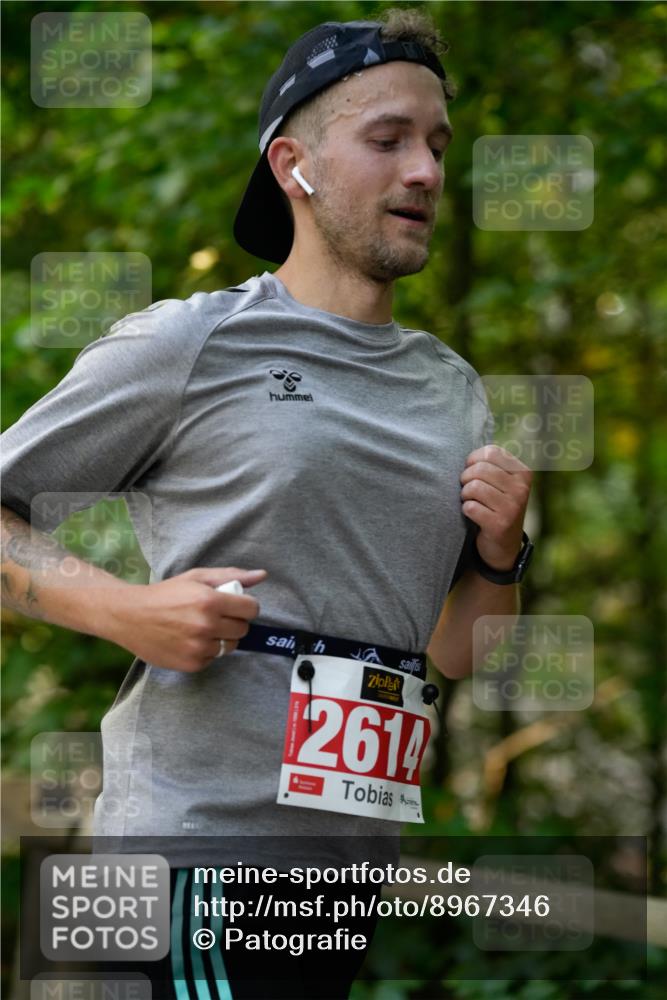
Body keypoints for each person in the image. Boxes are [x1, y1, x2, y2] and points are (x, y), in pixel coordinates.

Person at [1, 9, 534, 998]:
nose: (424, 170)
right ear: (295, 165)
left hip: (341, 881)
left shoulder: (452, 388)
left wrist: (501, 551)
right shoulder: (190, 344)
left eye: (436, 144)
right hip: (187, 860)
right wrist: (127, 612)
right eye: (387, 140)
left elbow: (462, 655)